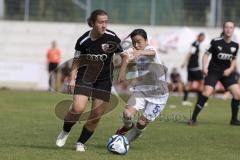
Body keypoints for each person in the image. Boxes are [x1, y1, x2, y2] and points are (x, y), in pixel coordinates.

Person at [56, 9, 123, 151]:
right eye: (100, 22)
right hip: (85, 77)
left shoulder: (112, 38)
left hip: (104, 80)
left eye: (106, 22)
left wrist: (125, 65)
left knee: (97, 115)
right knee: (78, 108)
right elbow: (76, 61)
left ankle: (80, 143)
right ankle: (65, 130)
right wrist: (72, 79)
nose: (104, 25)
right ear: (92, 23)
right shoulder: (83, 41)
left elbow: (124, 55)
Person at [115, 29, 169, 143]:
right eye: (134, 42)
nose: (136, 45)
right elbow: (125, 57)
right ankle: (127, 126)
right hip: (142, 90)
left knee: (141, 123)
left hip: (159, 94)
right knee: (127, 114)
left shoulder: (150, 49)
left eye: (139, 41)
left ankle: (125, 142)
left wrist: (140, 52)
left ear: (146, 41)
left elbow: (152, 53)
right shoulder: (133, 49)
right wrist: (121, 73)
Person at [189, 20, 240, 126]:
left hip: (226, 73)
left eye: (231, 27)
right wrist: (204, 67)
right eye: (226, 27)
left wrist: (230, 70)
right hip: (213, 72)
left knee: (237, 94)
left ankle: (234, 120)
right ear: (223, 29)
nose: (228, 29)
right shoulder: (215, 41)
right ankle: (193, 119)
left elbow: (234, 59)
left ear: (233, 30)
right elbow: (206, 54)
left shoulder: (235, 45)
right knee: (207, 92)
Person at [181, 33, 205, 106]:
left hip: (191, 67)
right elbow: (190, 54)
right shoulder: (195, 44)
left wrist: (185, 63)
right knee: (201, 81)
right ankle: (200, 100)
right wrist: (184, 62)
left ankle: (184, 100)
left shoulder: (197, 44)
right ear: (199, 37)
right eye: (202, 37)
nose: (203, 39)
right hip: (194, 67)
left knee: (190, 84)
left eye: (203, 38)